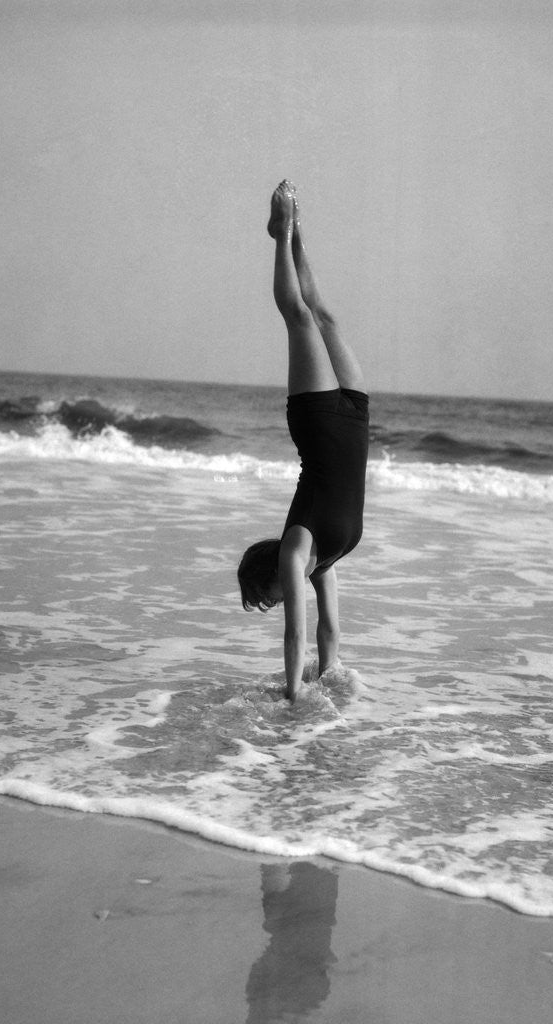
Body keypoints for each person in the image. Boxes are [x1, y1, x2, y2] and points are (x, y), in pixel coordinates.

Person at [238, 180, 369, 703]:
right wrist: (330, 677)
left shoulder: (297, 548)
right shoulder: (325, 561)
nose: (274, 602)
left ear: (269, 575)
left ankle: (283, 234)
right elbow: (327, 634)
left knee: (299, 317)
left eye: (265, 597)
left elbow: (296, 634)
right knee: (326, 316)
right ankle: (296, 234)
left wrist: (293, 699)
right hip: (355, 418)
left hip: (317, 421)